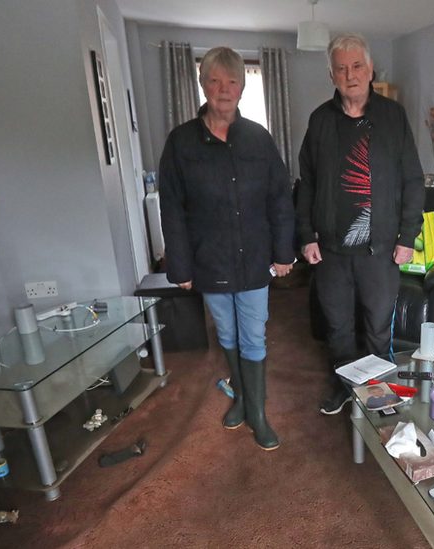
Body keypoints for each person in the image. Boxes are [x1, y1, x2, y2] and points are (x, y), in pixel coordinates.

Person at [159, 46, 294, 451]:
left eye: (232, 80)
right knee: (228, 334)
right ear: (202, 85)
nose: (223, 88)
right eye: (215, 80)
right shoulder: (181, 141)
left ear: (241, 87)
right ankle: (241, 398)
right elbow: (172, 207)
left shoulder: (258, 137)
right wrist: (179, 266)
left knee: (253, 334)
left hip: (254, 256)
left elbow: (279, 198)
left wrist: (283, 252)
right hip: (209, 258)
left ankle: (258, 412)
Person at [297, 33, 425, 415]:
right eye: (341, 68)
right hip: (333, 250)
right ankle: (341, 385)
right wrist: (306, 235)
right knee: (336, 327)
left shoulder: (393, 116)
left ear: (370, 71)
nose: (349, 74)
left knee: (377, 327)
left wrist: (408, 236)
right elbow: (306, 184)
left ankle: (375, 389)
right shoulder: (320, 120)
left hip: (381, 249)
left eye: (357, 66)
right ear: (332, 75)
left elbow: (413, 180)